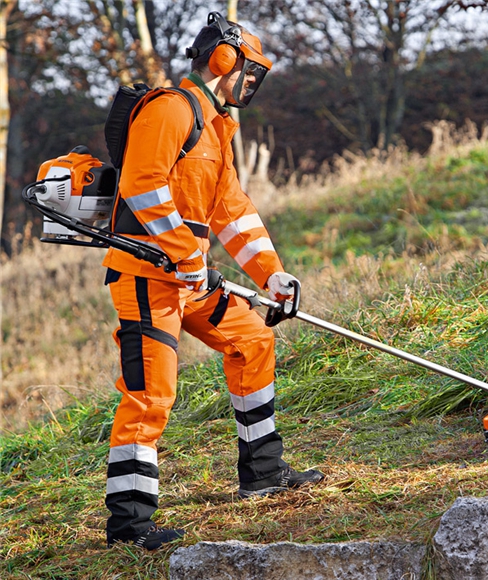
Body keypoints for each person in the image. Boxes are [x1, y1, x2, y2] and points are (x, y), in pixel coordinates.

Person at [102, 12, 324, 551]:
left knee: (253, 340)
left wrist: (272, 275)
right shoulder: (171, 109)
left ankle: (264, 474)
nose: (251, 82)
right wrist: (182, 251)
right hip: (146, 278)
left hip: (190, 280)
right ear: (223, 59)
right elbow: (141, 182)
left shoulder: (218, 125)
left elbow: (230, 211)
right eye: (249, 70)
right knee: (152, 393)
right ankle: (130, 527)